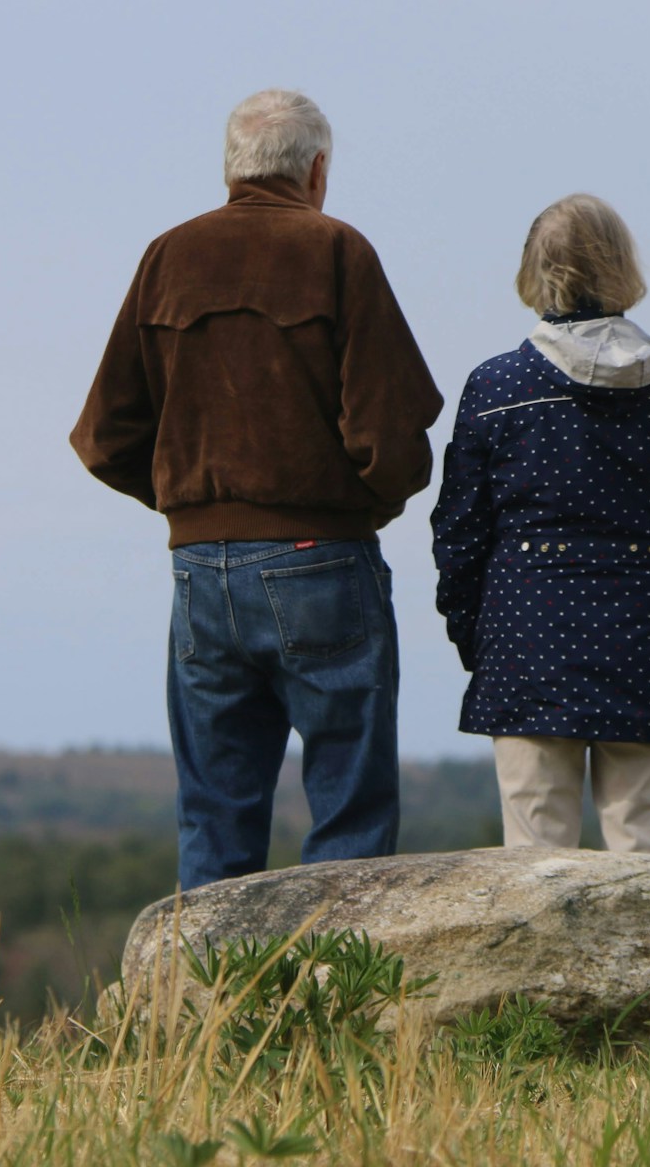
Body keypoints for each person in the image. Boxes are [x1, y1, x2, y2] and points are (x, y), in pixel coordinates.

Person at [71, 89, 442, 890]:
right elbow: (395, 436)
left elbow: (104, 438)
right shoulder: (338, 252)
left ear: (233, 168)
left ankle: (209, 1010)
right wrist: (353, 509)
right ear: (317, 170)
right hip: (324, 563)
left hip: (198, 572)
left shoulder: (166, 257)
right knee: (349, 813)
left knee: (214, 816)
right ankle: (335, 1008)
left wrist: (195, 509)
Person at [431, 193, 650, 855]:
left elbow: (459, 536)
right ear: (622, 266)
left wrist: (477, 641)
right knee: (648, 870)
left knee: (533, 871)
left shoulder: (497, 388)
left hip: (526, 642)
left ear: (535, 272)